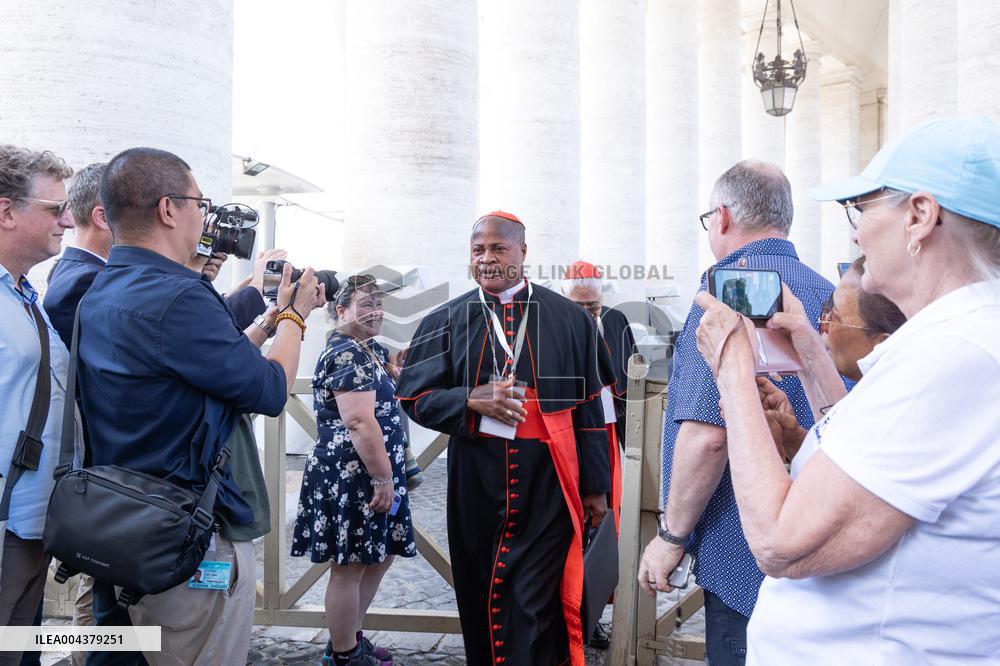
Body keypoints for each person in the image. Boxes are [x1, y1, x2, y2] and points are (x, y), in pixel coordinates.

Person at [694, 116, 1000, 663]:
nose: (855, 234)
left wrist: (734, 368)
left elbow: (780, 542)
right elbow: (870, 455)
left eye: (861, 209)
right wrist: (811, 352)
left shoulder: (952, 354)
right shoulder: (956, 336)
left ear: (920, 216)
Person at [76, 147, 323, 665]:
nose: (205, 217)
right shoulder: (180, 295)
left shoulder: (99, 288)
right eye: (199, 202)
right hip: (182, 535)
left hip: (113, 520)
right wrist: (295, 316)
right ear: (169, 209)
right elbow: (271, 391)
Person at [637, 160, 836, 666]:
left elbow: (709, 436)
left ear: (721, 217)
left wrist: (670, 537)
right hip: (828, 537)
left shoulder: (728, 288)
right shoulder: (827, 292)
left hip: (744, 546)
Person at [397, 211, 614, 666]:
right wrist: (468, 400)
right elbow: (414, 396)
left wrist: (596, 488)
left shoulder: (568, 318)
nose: (487, 258)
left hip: (548, 484)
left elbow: (592, 407)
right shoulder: (447, 319)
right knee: (481, 591)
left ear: (523, 253)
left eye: (499, 248)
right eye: (478, 250)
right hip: (476, 482)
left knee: (534, 599)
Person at [291, 275, 416, 666]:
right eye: (365, 304)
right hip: (355, 476)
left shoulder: (369, 348)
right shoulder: (347, 352)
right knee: (350, 564)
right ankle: (344, 655)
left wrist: (393, 368)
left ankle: (350, 638)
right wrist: (383, 478)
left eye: (378, 303)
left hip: (374, 473)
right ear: (340, 311)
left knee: (379, 556)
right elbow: (359, 422)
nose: (376, 310)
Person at [0, 145, 74, 666]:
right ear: (6, 212)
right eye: (54, 209)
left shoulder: (25, 294)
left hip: (30, 525)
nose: (67, 220)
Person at [759, 256, 906, 462]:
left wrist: (737, 388)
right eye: (825, 312)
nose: (823, 326)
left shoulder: (892, 423)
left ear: (882, 344)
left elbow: (836, 485)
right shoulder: (875, 403)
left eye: (833, 317)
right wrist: (795, 442)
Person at [561, 259, 634, 650]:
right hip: (570, 439)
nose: (589, 314)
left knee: (611, 527)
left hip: (607, 435)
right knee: (570, 529)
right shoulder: (554, 323)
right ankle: (567, 615)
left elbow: (631, 372)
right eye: (580, 306)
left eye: (594, 307)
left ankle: (596, 615)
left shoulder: (617, 321)